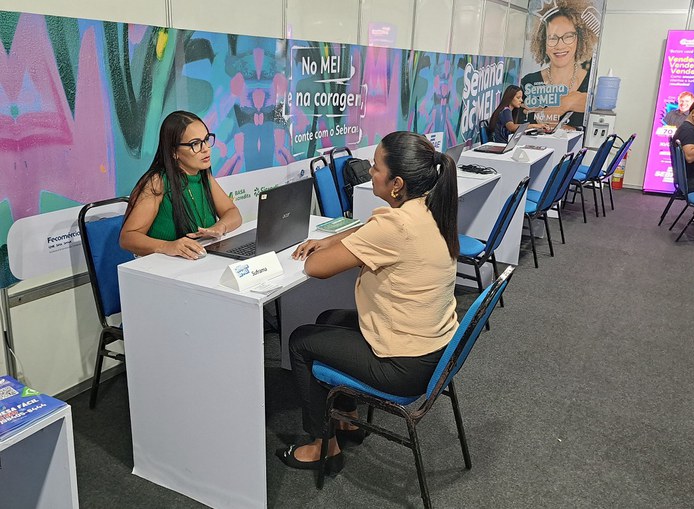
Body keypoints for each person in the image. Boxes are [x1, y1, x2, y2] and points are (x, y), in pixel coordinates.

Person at [277, 131, 460, 473]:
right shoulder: (429, 208)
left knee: (301, 341)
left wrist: (328, 250)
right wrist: (334, 240)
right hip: (434, 351)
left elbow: (316, 268)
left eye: (376, 167)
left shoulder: (395, 226)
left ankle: (322, 445)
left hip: (403, 368)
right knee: (330, 318)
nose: (370, 172)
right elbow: (369, 229)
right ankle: (347, 418)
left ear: (397, 184)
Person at [120, 111, 242, 259]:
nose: (205, 148)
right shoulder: (157, 182)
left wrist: (220, 227)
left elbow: (232, 212)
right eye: (195, 144)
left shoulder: (203, 175)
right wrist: (167, 246)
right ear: (174, 152)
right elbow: (128, 238)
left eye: (206, 139)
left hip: (197, 261)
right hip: (163, 266)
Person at [521, 0, 599, 129]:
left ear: (580, 39)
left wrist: (542, 116)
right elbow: (520, 127)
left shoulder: (591, 83)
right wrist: (567, 103)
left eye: (568, 36)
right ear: (543, 42)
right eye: (552, 38)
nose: (560, 46)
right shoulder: (529, 82)